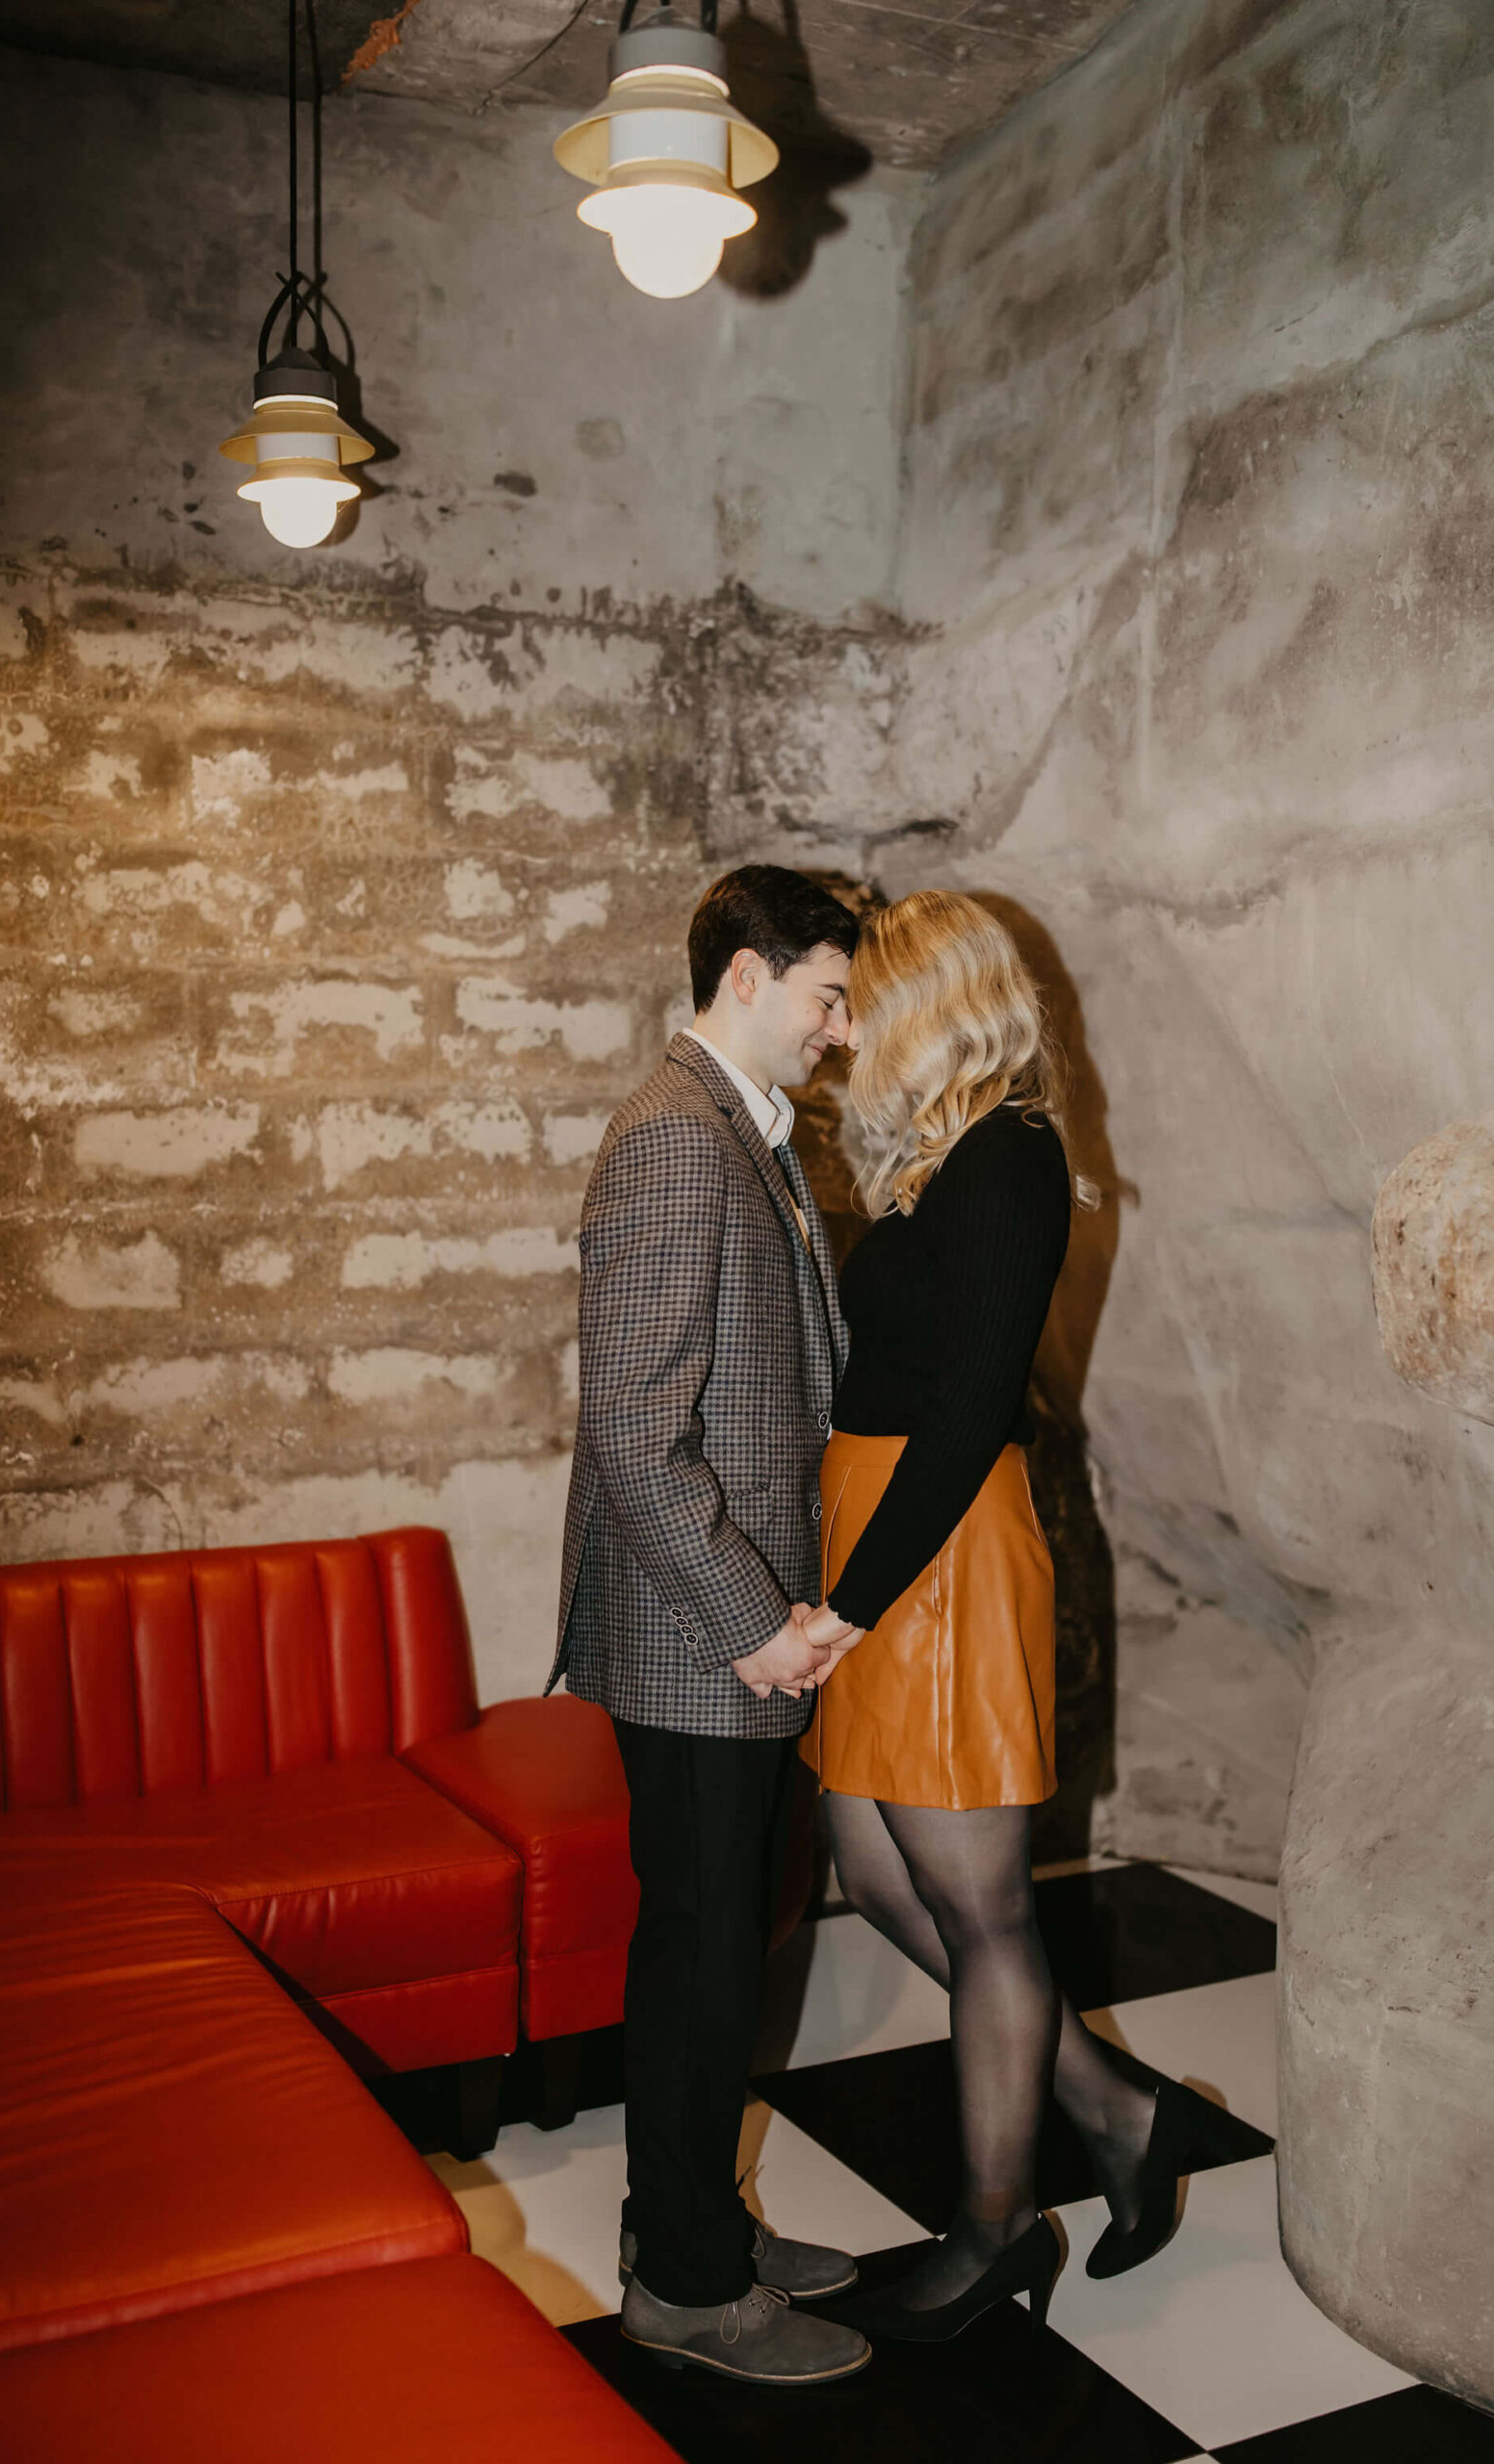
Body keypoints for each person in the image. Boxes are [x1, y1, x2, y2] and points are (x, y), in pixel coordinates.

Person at [798, 890, 1221, 2342]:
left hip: (941, 1552)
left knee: (979, 1908)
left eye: (859, 1002)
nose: (840, 1028)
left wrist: (846, 1608)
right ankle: (1117, 2107)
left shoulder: (1012, 1158)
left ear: (931, 1002)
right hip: (878, 1532)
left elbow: (971, 1413)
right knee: (873, 1864)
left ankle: (993, 2227)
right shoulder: (931, 1160)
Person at [547, 864, 871, 2386]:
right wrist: (754, 1622)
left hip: (720, 1623)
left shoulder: (737, 1130)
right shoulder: (680, 1142)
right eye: (827, 993)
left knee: (716, 1943)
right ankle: (684, 2283)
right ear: (747, 975)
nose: (842, 1029)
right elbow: (633, 1428)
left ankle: (693, 2230)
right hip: (699, 1634)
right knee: (697, 1957)